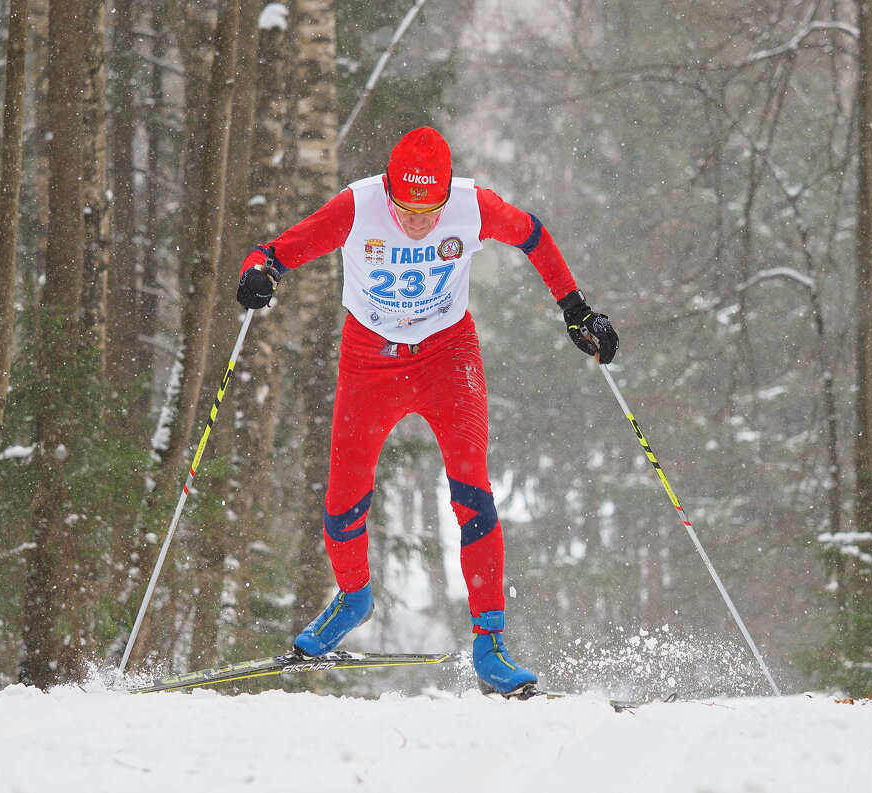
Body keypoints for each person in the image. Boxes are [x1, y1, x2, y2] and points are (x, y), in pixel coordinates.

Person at [236, 126, 618, 696]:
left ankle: (490, 642)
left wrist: (576, 309)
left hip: (448, 357)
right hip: (369, 360)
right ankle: (354, 597)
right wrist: (257, 275)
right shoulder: (358, 206)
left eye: (430, 210)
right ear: (389, 191)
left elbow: (535, 237)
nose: (418, 222)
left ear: (445, 197)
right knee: (343, 504)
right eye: (407, 209)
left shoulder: (471, 206)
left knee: (471, 488)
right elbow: (275, 253)